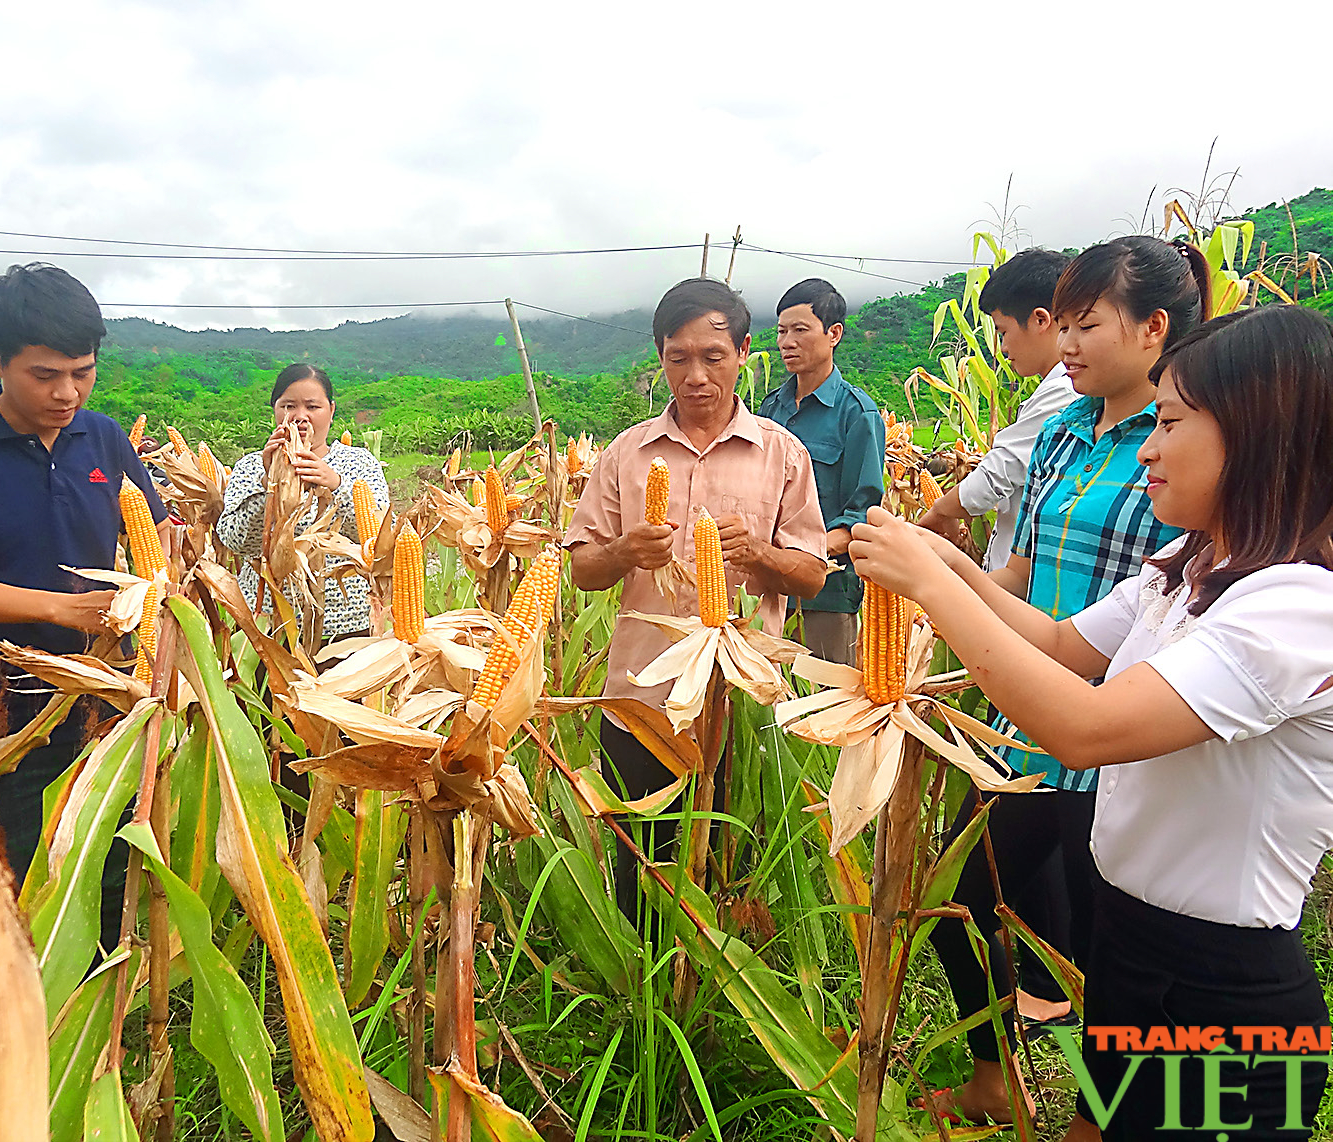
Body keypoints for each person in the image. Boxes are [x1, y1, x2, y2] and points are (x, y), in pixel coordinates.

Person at [851, 303, 1333, 1139]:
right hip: (1129, 943)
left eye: (1172, 423)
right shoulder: (1182, 570)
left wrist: (929, 590)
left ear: (1259, 436)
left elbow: (1087, 728)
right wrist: (948, 561)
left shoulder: (1295, 607)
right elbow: (1060, 643)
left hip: (1222, 993)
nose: (1147, 447)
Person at [913, 236, 1211, 1124]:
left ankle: (1098, 1110)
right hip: (1022, 717)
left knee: (1102, 949)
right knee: (953, 902)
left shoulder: (1183, 449)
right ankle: (995, 1074)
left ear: (1155, 328)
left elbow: (1156, 610)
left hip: (1116, 734)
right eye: (1062, 324)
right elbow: (1024, 576)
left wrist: (942, 583)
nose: (1065, 343)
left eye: (1086, 324)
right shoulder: (1062, 432)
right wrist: (940, 574)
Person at [0, 262, 170, 953]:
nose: (67, 392)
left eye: (84, 371)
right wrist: (63, 608)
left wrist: (166, 583)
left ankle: (107, 1016)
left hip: (110, 692)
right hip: (1, 704)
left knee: (109, 859)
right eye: (45, 375)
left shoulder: (103, 438)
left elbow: (159, 531)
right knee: (19, 868)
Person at [564, 278, 828, 923]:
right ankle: (643, 994)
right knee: (641, 860)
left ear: (742, 353)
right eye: (678, 358)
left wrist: (760, 554)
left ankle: (720, 998)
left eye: (713, 357)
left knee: (731, 857)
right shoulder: (626, 453)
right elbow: (581, 568)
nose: (696, 375)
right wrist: (626, 551)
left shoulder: (782, 453)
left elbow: (812, 576)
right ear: (660, 358)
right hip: (641, 697)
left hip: (740, 698)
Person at [918, 248, 1079, 1027]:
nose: (1004, 350)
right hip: (1028, 636)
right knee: (1031, 829)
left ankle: (1043, 1004)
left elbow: (996, 484)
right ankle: (1045, 993)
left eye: (1008, 333)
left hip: (1049, 667)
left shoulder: (1068, 405)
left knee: (986, 863)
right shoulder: (1070, 413)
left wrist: (938, 540)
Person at [918, 249, 1077, 572]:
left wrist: (936, 515)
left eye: (1003, 331)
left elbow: (994, 477)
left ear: (1040, 320)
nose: (1002, 348)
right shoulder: (1054, 388)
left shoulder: (1065, 392)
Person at [757, 279, 884, 664]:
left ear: (833, 334)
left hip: (825, 596)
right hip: (766, 590)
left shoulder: (857, 415)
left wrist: (803, 554)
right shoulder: (770, 410)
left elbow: (862, 516)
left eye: (800, 330)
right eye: (781, 331)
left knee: (823, 709)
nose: (786, 342)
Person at [216, 364, 387, 642]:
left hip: (348, 625)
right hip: (268, 626)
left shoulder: (358, 464)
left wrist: (335, 485)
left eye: (312, 407)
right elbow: (235, 540)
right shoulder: (250, 467)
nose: (300, 417)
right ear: (274, 410)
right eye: (288, 406)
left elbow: (379, 539)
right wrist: (269, 483)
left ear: (331, 411)